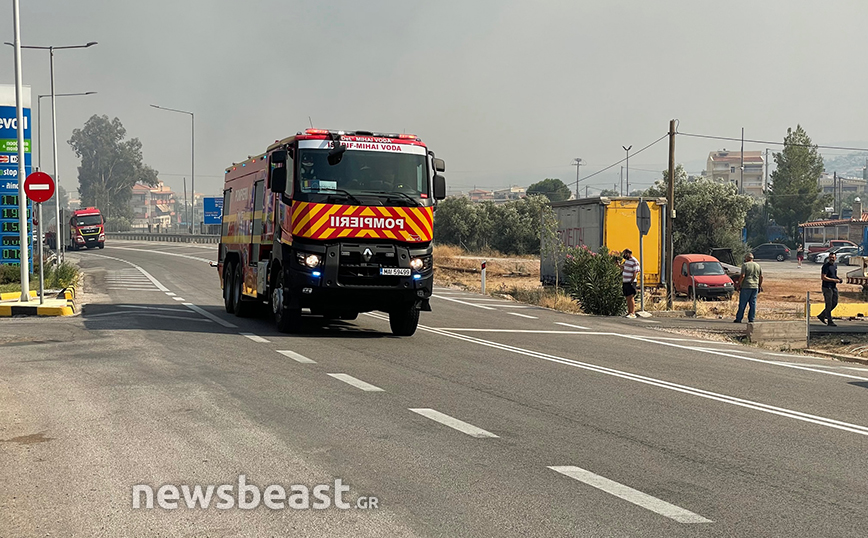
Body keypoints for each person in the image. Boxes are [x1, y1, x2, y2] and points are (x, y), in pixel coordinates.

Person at [734, 252, 763, 323]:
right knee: (752, 303)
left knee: (743, 303)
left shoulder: (745, 265)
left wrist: (738, 284)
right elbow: (761, 276)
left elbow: (743, 275)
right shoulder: (758, 265)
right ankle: (751, 319)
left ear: (747, 258)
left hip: (746, 286)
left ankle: (739, 318)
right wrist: (759, 285)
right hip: (755, 286)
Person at [818, 251, 843, 326]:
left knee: (834, 303)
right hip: (827, 287)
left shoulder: (835, 265)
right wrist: (834, 280)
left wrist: (838, 279)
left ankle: (822, 315)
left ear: (835, 258)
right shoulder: (825, 266)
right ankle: (829, 321)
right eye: (830, 257)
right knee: (828, 304)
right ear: (828, 258)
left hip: (833, 287)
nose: (832, 259)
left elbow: (833, 275)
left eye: (833, 257)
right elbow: (823, 277)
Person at [621, 249, 640, 318]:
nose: (624, 256)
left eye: (625, 254)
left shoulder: (634, 261)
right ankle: (629, 312)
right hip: (625, 281)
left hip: (630, 282)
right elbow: (625, 269)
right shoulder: (627, 261)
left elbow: (635, 271)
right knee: (627, 297)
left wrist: (632, 280)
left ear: (629, 253)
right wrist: (619, 265)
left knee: (631, 297)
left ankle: (632, 313)